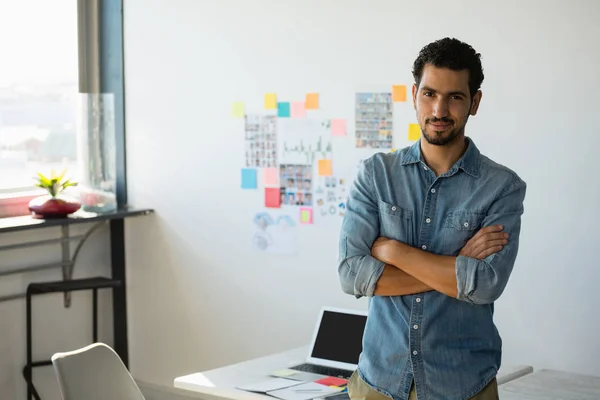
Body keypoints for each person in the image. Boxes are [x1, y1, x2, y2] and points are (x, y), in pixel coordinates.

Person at [338, 37, 527, 400]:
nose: (439, 109)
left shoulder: (503, 187)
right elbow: (350, 275)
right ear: (414, 94)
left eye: (455, 97)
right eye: (429, 94)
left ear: (475, 102)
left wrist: (392, 251)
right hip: (378, 384)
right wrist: (457, 269)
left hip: (463, 387)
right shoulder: (376, 175)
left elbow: (486, 284)